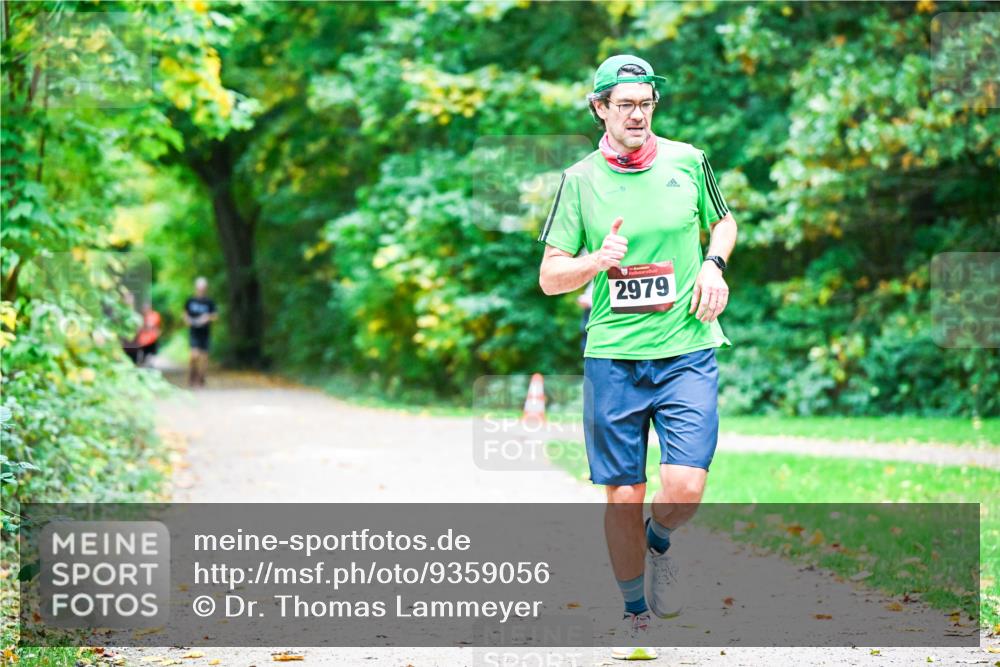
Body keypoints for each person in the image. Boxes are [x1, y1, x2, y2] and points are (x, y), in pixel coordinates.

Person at [537, 54, 737, 660]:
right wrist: (597, 260)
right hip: (614, 359)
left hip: (686, 352)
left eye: (646, 102)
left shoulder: (688, 160)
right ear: (600, 108)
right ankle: (635, 614)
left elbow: (723, 224)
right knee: (622, 494)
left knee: (683, 490)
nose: (638, 114)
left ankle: (660, 543)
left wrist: (713, 263)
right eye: (624, 103)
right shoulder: (579, 180)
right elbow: (549, 277)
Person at [183, 277, 218, 387]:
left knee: (204, 358)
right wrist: (187, 320)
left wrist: (207, 317)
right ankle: (192, 375)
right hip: (194, 332)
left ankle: (201, 378)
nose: (201, 289)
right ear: (196, 288)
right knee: (194, 356)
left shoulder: (209, 302)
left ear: (206, 288)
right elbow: (184, 314)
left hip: (205, 333)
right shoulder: (190, 301)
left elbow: (215, 316)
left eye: (203, 288)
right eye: (199, 287)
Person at [135, 300, 162, 367]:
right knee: (143, 357)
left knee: (150, 357)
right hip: (143, 341)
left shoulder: (154, 315)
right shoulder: (141, 317)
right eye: (144, 308)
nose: (145, 309)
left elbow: (154, 326)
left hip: (152, 339)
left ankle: (148, 366)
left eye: (146, 307)